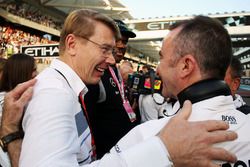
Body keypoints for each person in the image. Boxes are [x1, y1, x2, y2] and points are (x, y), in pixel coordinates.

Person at [0, 11, 238, 167]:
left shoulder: (68, 89)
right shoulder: (54, 95)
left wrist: (11, 136)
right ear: (72, 44)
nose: (112, 60)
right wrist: (161, 149)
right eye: (104, 49)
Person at [111, 15, 250, 166]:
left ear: (186, 66)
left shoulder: (150, 134)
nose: (157, 70)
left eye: (161, 58)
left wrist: (158, 151)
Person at [84, 19, 139, 159]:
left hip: (125, 150)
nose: (121, 45)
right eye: (117, 40)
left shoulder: (115, 69)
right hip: (107, 155)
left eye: (125, 41)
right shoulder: (96, 72)